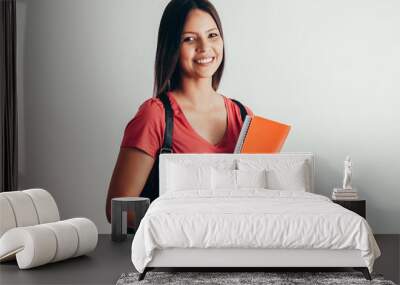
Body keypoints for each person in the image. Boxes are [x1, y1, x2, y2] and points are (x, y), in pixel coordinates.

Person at [105, 0, 253, 225]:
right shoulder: (155, 116)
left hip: (233, 251)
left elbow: (256, 198)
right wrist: (183, 229)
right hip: (176, 254)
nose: (204, 47)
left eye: (212, 35)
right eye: (190, 39)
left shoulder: (244, 116)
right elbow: (119, 212)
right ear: (172, 46)